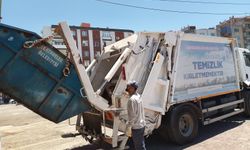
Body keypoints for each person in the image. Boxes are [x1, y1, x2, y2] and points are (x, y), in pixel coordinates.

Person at [125, 81, 146, 150]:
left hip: (136, 127)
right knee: (141, 144)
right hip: (141, 125)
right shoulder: (138, 96)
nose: (127, 89)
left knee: (139, 147)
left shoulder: (131, 100)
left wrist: (128, 127)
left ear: (133, 88)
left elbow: (132, 116)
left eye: (128, 88)